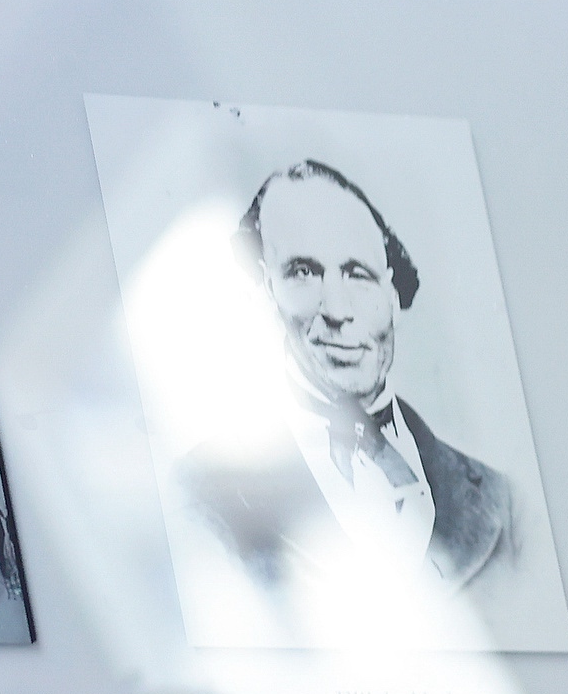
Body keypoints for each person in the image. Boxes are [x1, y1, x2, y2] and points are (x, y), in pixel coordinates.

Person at [178, 159, 515, 592]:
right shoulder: (201, 496)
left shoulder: (501, 500)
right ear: (261, 293)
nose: (337, 310)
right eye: (303, 272)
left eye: (358, 274)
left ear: (393, 293)